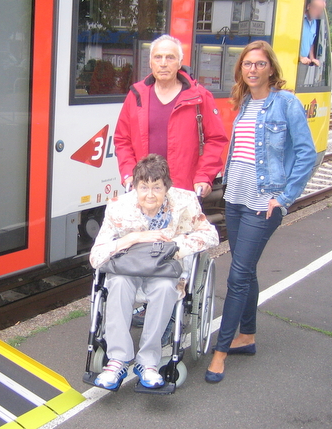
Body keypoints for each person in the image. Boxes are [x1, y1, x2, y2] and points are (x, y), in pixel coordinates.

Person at [206, 41, 316, 383]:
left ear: (271, 69)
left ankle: (221, 351)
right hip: (236, 199)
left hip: (262, 203)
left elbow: (306, 153)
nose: (252, 69)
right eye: (247, 64)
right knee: (246, 270)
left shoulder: (285, 103)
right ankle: (247, 336)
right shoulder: (243, 104)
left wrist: (283, 197)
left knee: (237, 275)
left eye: (259, 64)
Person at [89, 154, 219, 390]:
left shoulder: (185, 202)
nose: (150, 194)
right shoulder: (119, 208)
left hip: (164, 271)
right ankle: (118, 358)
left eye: (157, 187)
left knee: (166, 287)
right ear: (135, 187)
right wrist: (131, 239)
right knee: (117, 283)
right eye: (144, 187)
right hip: (129, 271)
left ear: (166, 187)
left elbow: (211, 235)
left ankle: (147, 361)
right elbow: (96, 257)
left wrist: (175, 247)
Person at [114, 34, 229, 198]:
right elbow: (122, 139)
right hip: (145, 190)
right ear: (150, 62)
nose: (163, 63)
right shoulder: (136, 95)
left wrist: (204, 176)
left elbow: (216, 139)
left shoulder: (200, 97)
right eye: (158, 57)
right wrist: (128, 173)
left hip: (183, 190)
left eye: (170, 58)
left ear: (180, 63)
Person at [300, 0, 325, 67]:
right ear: (309, 7)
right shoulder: (299, 20)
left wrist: (312, 58)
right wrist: (300, 57)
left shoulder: (314, 22)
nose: (319, 13)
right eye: (317, 9)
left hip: (302, 63)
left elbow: (311, 43)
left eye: (321, 10)